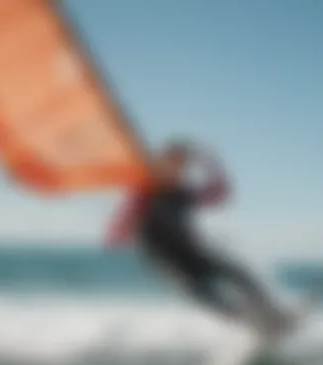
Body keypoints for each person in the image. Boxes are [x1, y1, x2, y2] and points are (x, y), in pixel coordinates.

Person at [105, 139, 293, 338]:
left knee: (238, 273)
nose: (177, 170)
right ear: (160, 164)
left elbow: (220, 193)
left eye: (182, 166)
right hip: (168, 261)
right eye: (172, 164)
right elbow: (117, 232)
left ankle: (274, 315)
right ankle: (255, 326)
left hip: (193, 252)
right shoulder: (144, 193)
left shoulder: (183, 193)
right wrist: (123, 227)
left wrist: (210, 162)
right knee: (211, 298)